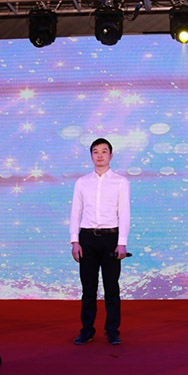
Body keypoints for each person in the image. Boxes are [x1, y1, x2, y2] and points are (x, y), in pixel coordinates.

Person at [70, 138, 130, 346]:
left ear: (111, 155)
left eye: (104, 151)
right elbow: (75, 212)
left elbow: (124, 213)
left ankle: (112, 331)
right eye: (96, 151)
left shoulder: (120, 182)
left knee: (111, 287)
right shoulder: (82, 182)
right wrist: (74, 241)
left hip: (111, 238)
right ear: (91, 156)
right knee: (88, 287)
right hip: (87, 238)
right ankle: (87, 330)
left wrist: (122, 242)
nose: (100, 155)